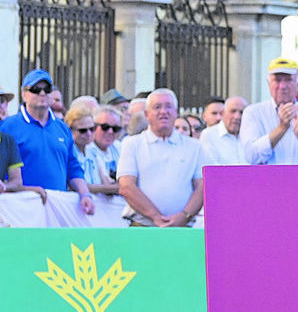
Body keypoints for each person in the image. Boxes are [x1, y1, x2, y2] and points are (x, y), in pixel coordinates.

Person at [0, 68, 95, 218]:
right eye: (36, 89)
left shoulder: (62, 127)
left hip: (56, 210)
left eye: (47, 89)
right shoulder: (7, 127)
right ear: (24, 94)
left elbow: (73, 167)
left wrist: (85, 194)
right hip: (20, 211)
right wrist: (30, 190)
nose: (42, 93)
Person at [117, 88, 204, 227]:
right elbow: (126, 186)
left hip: (182, 227)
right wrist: (155, 216)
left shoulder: (195, 147)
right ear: (147, 114)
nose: (163, 111)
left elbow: (202, 186)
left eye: (168, 107)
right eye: (157, 107)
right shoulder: (132, 144)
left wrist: (184, 216)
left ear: (176, 113)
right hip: (142, 226)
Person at [240, 58, 298, 165]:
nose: (283, 86)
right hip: (267, 180)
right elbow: (251, 157)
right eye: (277, 80)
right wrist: (281, 128)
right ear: (268, 83)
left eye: (288, 80)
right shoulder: (253, 113)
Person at [200, 96, 248, 167]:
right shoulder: (209, 135)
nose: (237, 116)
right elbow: (211, 167)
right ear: (223, 113)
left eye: (242, 112)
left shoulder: (251, 134)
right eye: (233, 111)